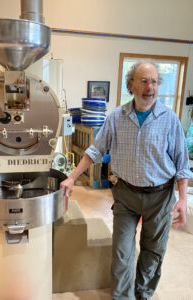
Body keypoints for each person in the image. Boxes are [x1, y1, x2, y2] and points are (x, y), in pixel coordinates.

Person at [60, 62, 193, 300]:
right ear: (130, 85)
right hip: (126, 196)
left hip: (161, 198)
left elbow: (182, 166)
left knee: (153, 252)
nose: (150, 87)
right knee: (122, 252)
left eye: (154, 81)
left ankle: (143, 293)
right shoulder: (116, 117)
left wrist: (182, 199)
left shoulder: (169, 119)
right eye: (143, 81)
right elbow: (95, 150)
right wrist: (71, 178)